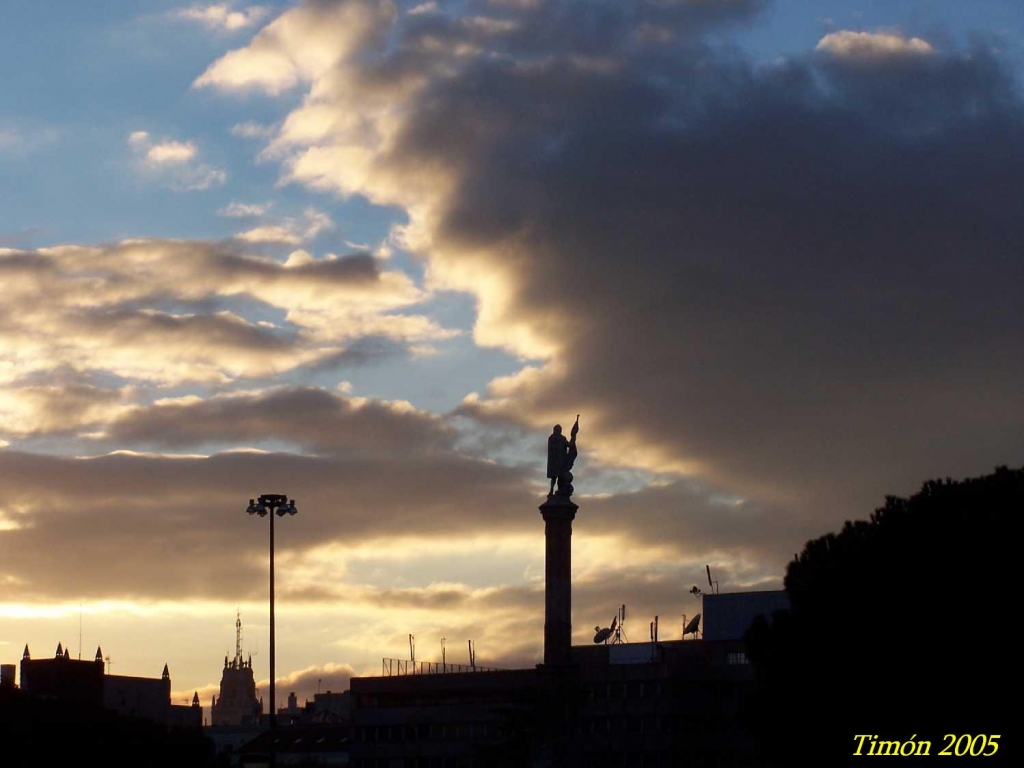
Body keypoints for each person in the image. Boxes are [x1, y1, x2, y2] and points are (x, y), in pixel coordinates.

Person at [546, 416, 579, 495]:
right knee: (560, 476)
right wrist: (573, 437)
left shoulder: (551, 438)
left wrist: (573, 437)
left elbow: (569, 445)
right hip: (560, 462)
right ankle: (556, 490)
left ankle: (552, 490)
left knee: (554, 477)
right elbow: (570, 446)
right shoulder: (562, 438)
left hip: (554, 462)